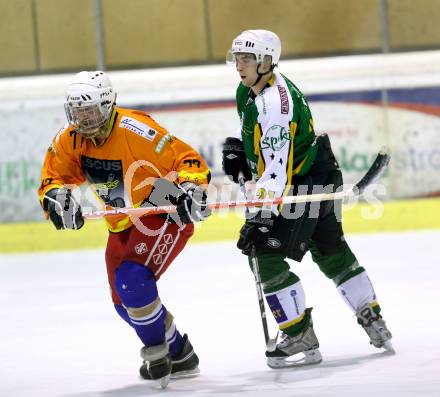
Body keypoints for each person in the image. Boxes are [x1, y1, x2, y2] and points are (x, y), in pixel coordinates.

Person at [222, 30, 393, 368]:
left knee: (264, 253)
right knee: (330, 250)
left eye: (247, 58)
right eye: (237, 58)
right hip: (318, 171)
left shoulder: (275, 104)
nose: (239, 65)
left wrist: (262, 215)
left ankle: (299, 333)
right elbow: (263, 150)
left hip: (303, 184)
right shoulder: (250, 90)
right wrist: (242, 158)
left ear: (266, 61)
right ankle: (372, 316)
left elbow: (277, 171)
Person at [38, 71, 211, 381]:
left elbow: (187, 159)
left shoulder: (137, 130)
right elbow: (55, 178)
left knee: (132, 282)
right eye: (77, 110)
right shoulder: (70, 138)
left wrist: (193, 188)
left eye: (89, 109)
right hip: (121, 223)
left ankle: (157, 354)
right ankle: (179, 352)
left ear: (108, 104)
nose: (83, 117)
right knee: (124, 303)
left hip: (162, 209)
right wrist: (57, 199)